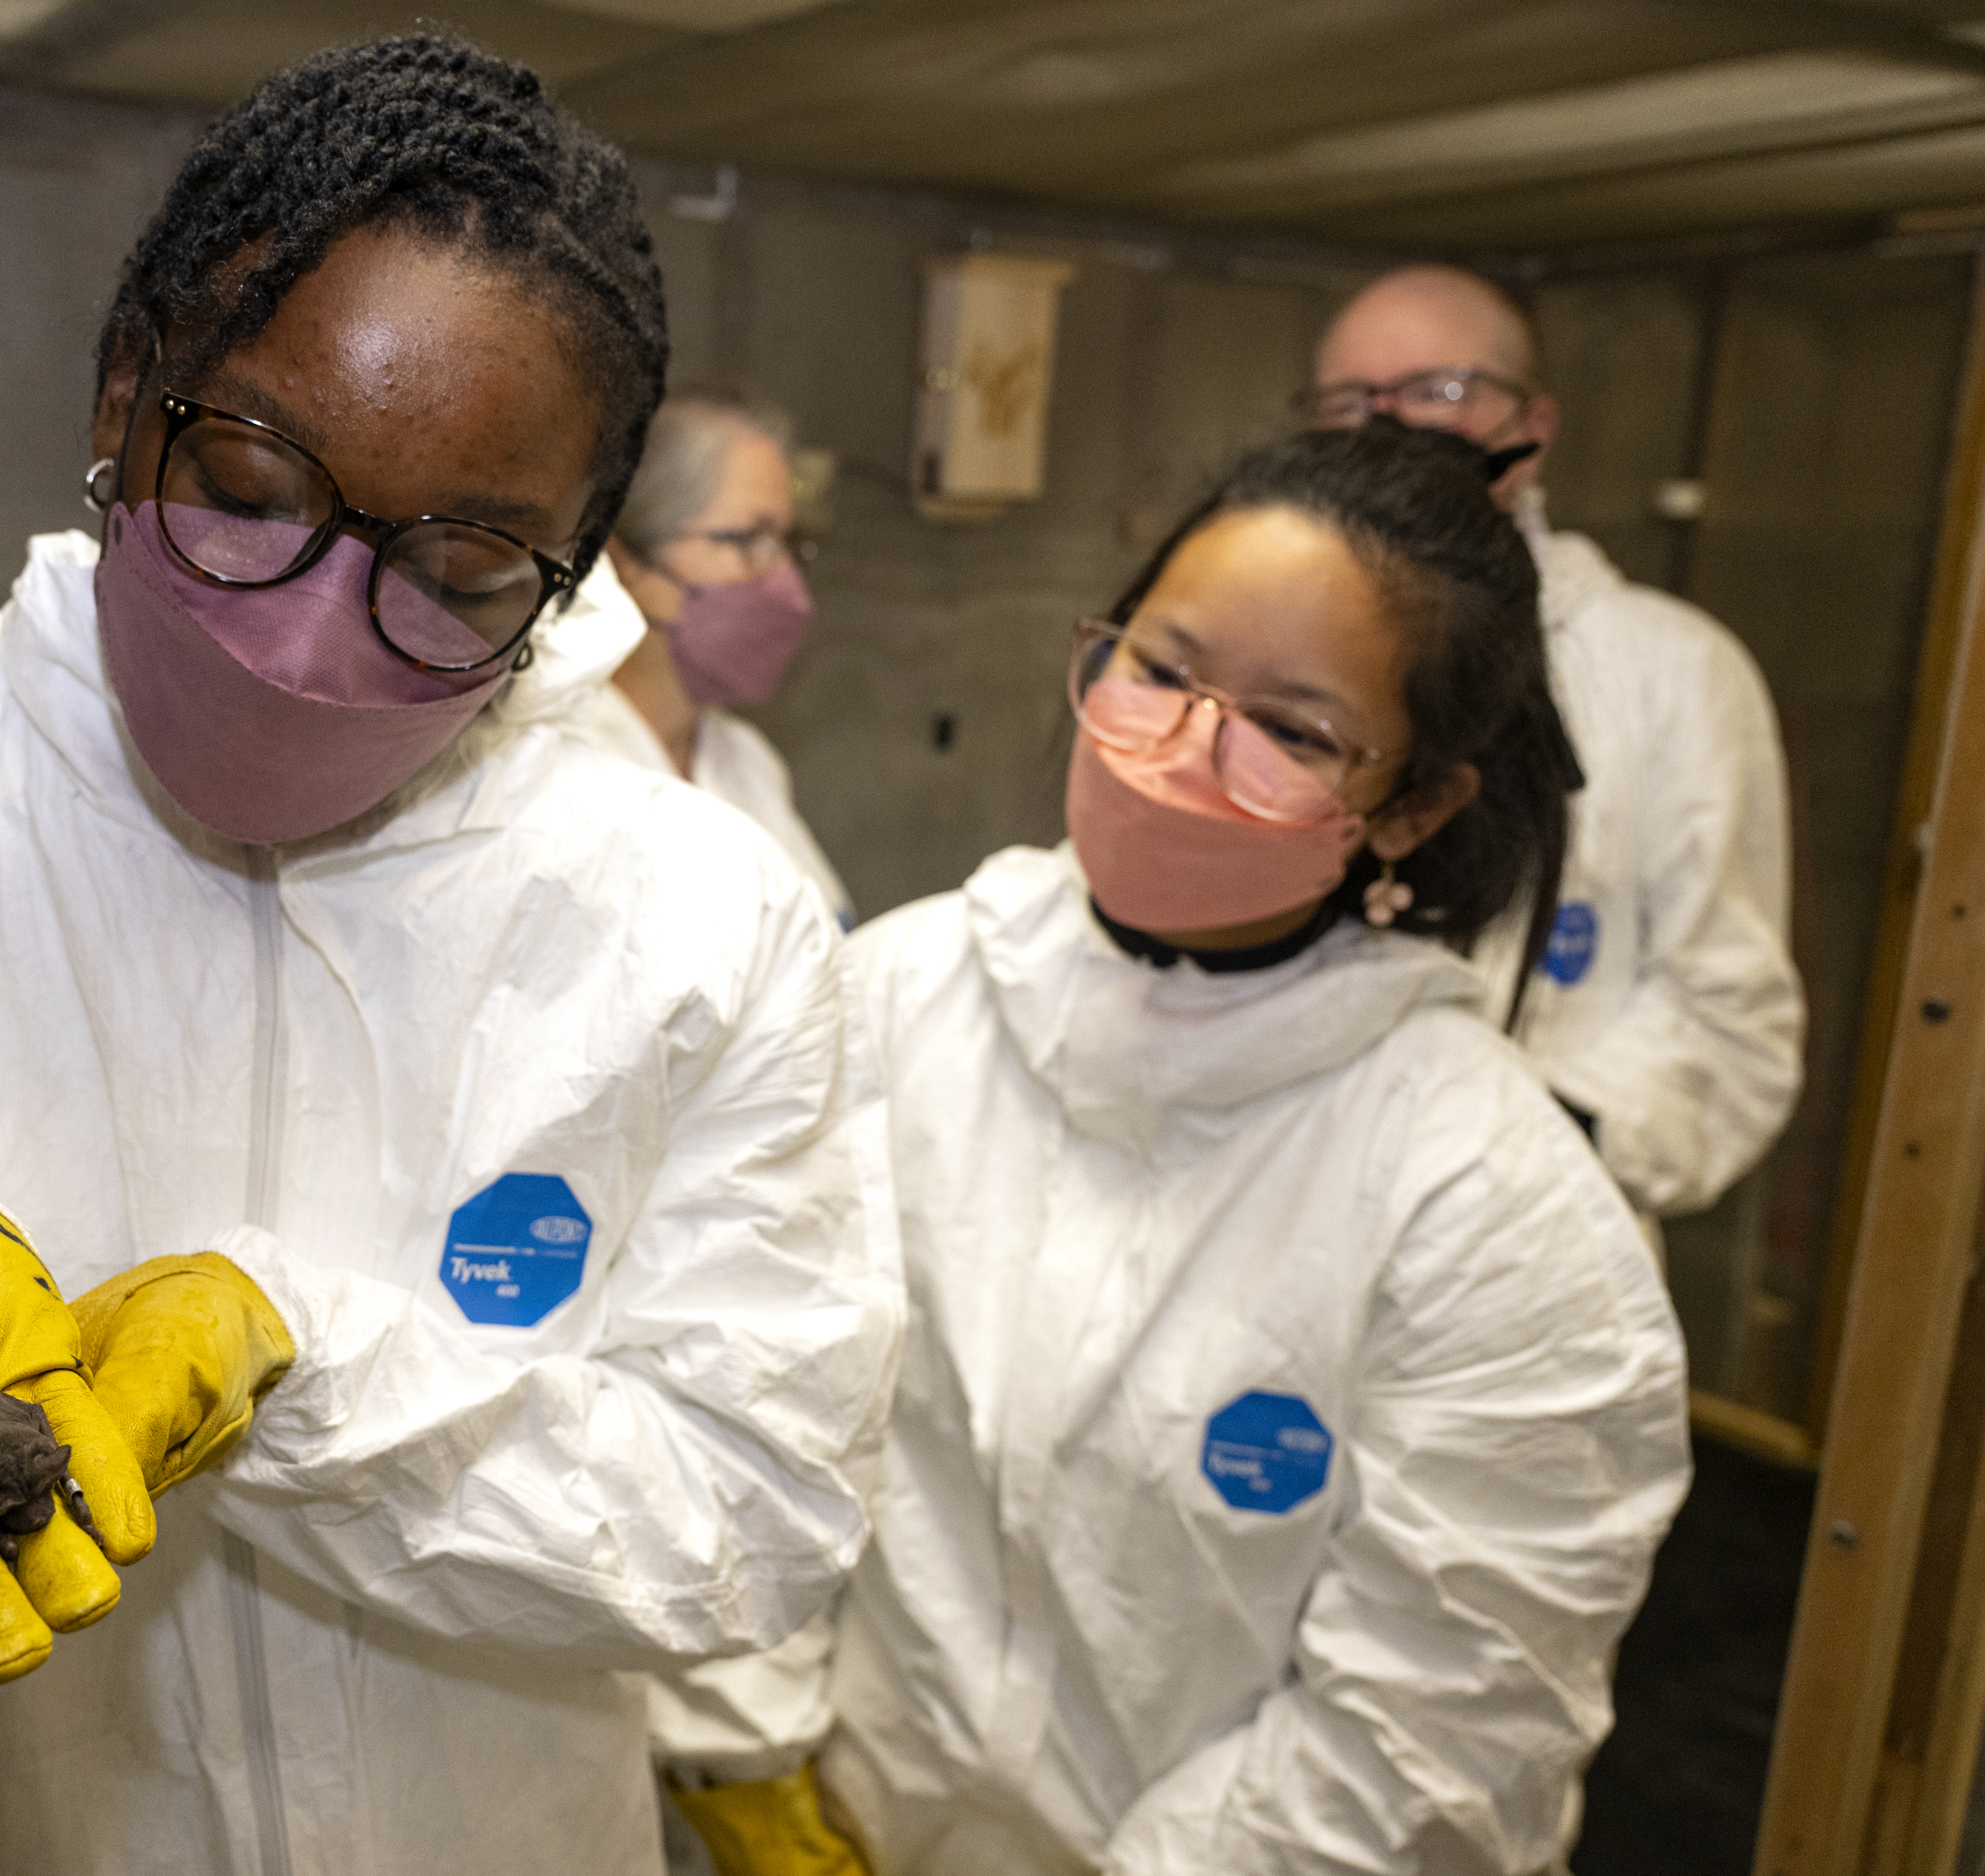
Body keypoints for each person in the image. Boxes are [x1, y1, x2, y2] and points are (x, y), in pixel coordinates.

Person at [0, 34, 900, 1876]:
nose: (310, 638)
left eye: (459, 571)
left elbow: (756, 1514)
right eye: (245, 478)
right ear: (126, 391)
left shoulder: (697, 916)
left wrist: (299, 1369)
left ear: (570, 567)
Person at [667, 425, 1690, 1875]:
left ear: (1411, 806)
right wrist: (746, 1748)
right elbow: (735, 1397)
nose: (1184, 751)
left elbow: (1434, 1738)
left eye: (1294, 730)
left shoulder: (1486, 1202)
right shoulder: (898, 1000)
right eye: (1161, 669)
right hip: (852, 1821)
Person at [1305, 265, 1802, 1230]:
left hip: (1529, 1243)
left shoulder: (1670, 670)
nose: (1389, 424)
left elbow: (1730, 1029)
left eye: (1441, 391)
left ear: (1531, 430)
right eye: (1349, 401)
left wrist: (1518, 1144)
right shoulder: (1266, 653)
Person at [577, 393, 854, 925]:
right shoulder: (557, 770)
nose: (785, 584)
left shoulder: (745, 760)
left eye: (786, 542)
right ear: (628, 562)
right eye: (748, 540)